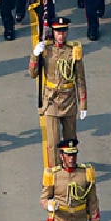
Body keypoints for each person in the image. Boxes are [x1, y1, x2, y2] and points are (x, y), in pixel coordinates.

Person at [31, 17, 87, 168]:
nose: (61, 35)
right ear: (53, 33)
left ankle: (69, 169)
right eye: (57, 32)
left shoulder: (73, 50)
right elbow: (33, 73)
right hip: (51, 100)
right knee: (53, 142)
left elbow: (80, 79)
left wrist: (83, 104)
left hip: (69, 100)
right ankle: (54, 173)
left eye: (63, 31)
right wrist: (35, 55)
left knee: (70, 142)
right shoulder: (46, 50)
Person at [41, 139, 101, 221]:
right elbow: (44, 198)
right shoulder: (53, 175)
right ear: (61, 155)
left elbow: (92, 201)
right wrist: (50, 205)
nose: (71, 159)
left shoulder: (85, 173)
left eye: (74, 154)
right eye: (68, 155)